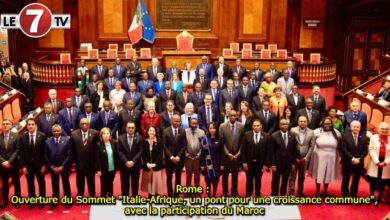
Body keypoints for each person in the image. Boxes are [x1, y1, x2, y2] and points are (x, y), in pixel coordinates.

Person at [308, 117, 341, 197]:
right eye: (325, 123)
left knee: (328, 174)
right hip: (319, 156)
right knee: (319, 173)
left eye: (329, 123)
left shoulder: (337, 133)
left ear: (331, 124)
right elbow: (312, 145)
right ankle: (318, 191)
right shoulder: (316, 132)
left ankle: (325, 191)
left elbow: (339, 145)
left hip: (332, 156)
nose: (327, 125)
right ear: (322, 124)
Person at [19, 119, 46, 209]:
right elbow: (21, 153)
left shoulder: (42, 136)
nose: (30, 126)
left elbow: (45, 152)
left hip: (39, 164)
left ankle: (42, 200)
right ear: (26, 126)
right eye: (29, 124)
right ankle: (32, 200)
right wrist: (23, 166)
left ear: (35, 125)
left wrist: (44, 165)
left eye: (32, 124)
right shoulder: (23, 137)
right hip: (28, 165)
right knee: (30, 183)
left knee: (41, 182)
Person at [44, 124, 72, 209]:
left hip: (64, 166)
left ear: (61, 131)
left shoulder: (67, 140)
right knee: (54, 184)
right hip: (53, 167)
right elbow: (45, 156)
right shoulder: (47, 141)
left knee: (66, 183)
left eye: (58, 131)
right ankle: (55, 201)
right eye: (54, 131)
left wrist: (62, 166)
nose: (56, 132)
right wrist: (52, 167)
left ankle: (67, 200)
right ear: (51, 132)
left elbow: (70, 154)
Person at [269, 119, 298, 196]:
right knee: (275, 181)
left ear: (288, 125)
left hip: (288, 163)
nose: (284, 126)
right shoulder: (274, 136)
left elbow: (294, 151)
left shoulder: (293, 135)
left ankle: (283, 195)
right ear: (279, 125)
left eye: (286, 124)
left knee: (285, 180)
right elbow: (271, 152)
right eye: (282, 124)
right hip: (277, 163)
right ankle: (274, 196)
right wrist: (272, 164)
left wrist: (293, 163)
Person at [70, 118, 99, 197]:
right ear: (80, 125)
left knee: (91, 180)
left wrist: (96, 163)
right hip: (79, 163)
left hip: (91, 162)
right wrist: (73, 162)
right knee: (79, 180)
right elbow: (72, 150)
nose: (84, 125)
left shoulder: (95, 133)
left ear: (88, 124)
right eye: (82, 124)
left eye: (86, 123)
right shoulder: (74, 134)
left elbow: (97, 149)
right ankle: (80, 194)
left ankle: (92, 194)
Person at [241, 119, 269, 197]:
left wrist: (266, 164)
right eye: (254, 126)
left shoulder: (266, 136)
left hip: (260, 163)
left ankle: (257, 193)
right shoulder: (247, 135)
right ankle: (248, 193)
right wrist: (244, 162)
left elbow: (268, 152)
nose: (256, 127)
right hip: (249, 162)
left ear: (261, 126)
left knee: (258, 179)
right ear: (252, 126)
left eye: (257, 126)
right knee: (249, 179)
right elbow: (243, 150)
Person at [341, 120, 368, 197]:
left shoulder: (363, 137)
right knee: (346, 179)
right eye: (354, 127)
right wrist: (352, 158)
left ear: (360, 128)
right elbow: (344, 149)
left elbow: (365, 151)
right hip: (347, 162)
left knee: (356, 180)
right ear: (351, 127)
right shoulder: (345, 136)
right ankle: (345, 195)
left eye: (357, 127)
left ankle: (353, 194)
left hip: (359, 163)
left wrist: (359, 159)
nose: (356, 128)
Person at [219, 110, 243, 196]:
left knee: (235, 175)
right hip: (226, 156)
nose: (233, 117)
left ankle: (234, 192)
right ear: (228, 115)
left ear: (237, 116)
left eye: (234, 115)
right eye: (231, 115)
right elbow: (221, 142)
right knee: (225, 175)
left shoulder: (241, 126)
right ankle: (225, 192)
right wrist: (227, 153)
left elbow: (242, 142)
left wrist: (238, 153)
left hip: (236, 155)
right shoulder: (222, 126)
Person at [288, 115, 314, 197]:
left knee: (302, 177)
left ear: (307, 122)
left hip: (304, 159)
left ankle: (300, 192)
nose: (303, 123)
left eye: (304, 121)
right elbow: (290, 145)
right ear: (298, 122)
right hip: (294, 158)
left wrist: (306, 158)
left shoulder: (311, 132)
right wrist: (293, 157)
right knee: (292, 176)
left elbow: (312, 146)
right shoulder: (293, 130)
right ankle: (291, 192)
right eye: (301, 121)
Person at [163, 114, 187, 197]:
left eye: (178, 121)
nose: (177, 122)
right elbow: (165, 146)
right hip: (169, 159)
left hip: (179, 159)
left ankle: (176, 195)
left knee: (178, 177)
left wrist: (178, 157)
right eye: (175, 121)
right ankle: (170, 194)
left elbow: (184, 146)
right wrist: (171, 157)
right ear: (171, 121)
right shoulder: (166, 131)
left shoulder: (183, 131)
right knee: (169, 177)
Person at [117, 122, 144, 196]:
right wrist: (126, 161)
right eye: (129, 127)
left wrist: (133, 161)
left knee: (135, 182)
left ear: (135, 128)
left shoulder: (139, 138)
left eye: (132, 128)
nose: (130, 129)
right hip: (124, 164)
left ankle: (134, 196)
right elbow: (119, 151)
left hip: (135, 164)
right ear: (126, 128)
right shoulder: (120, 138)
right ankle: (125, 196)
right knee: (124, 182)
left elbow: (140, 151)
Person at [366, 122, 390, 203]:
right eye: (382, 128)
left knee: (382, 181)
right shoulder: (373, 137)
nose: (384, 130)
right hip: (375, 162)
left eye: (386, 129)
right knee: (373, 179)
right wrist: (376, 161)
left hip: (386, 163)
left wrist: (386, 162)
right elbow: (371, 149)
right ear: (379, 129)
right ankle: (372, 195)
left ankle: (380, 196)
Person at [0, 119, 21, 209]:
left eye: (7, 124)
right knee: (4, 183)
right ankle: (5, 200)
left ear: (11, 125)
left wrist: (9, 161)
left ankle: (17, 200)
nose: (5, 125)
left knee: (16, 182)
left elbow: (17, 150)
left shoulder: (16, 136)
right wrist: (3, 161)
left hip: (13, 164)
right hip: (2, 165)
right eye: (3, 124)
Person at [141, 126, 165, 196]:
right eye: (150, 131)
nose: (152, 132)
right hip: (147, 166)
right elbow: (143, 154)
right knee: (149, 183)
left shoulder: (159, 141)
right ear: (147, 132)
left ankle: (157, 196)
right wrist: (146, 163)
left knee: (156, 182)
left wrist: (155, 164)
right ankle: (150, 195)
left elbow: (160, 154)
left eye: (153, 131)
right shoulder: (144, 141)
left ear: (155, 132)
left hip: (157, 166)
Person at [200, 122, 222, 197]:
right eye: (210, 128)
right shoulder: (204, 139)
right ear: (208, 129)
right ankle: (208, 194)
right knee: (208, 181)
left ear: (216, 129)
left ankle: (214, 194)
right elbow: (202, 153)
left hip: (217, 163)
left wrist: (222, 164)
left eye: (214, 128)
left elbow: (221, 153)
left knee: (216, 180)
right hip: (207, 163)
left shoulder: (220, 138)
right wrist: (202, 164)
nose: (212, 130)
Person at [96, 127, 118, 197]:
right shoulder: (98, 145)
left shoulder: (114, 142)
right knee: (104, 184)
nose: (106, 135)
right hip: (103, 169)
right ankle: (103, 197)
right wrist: (98, 169)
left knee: (110, 183)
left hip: (112, 168)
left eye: (107, 133)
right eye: (104, 134)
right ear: (101, 135)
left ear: (110, 135)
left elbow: (116, 155)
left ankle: (110, 196)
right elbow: (97, 158)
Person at [185, 118, 205, 188]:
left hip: (197, 158)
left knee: (197, 175)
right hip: (188, 158)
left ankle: (197, 191)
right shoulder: (185, 132)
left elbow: (203, 146)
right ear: (190, 124)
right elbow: (183, 145)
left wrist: (198, 155)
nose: (194, 125)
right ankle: (188, 192)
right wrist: (187, 155)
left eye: (195, 123)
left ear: (197, 124)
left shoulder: (202, 132)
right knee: (188, 175)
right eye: (192, 123)